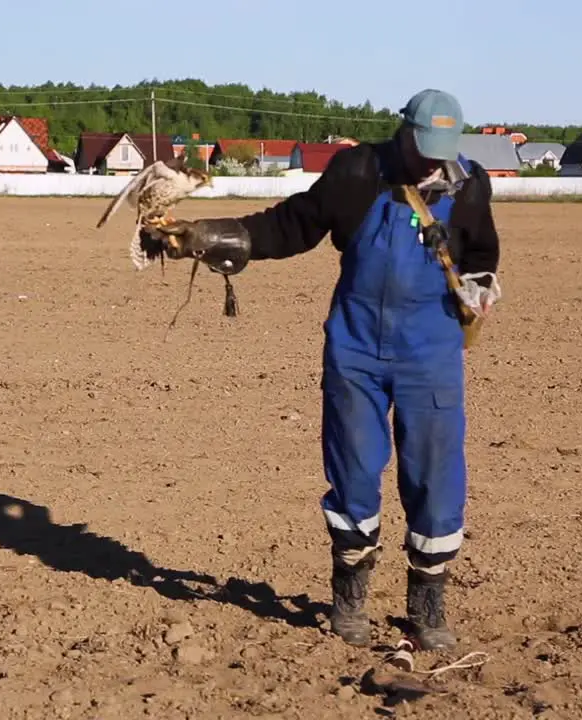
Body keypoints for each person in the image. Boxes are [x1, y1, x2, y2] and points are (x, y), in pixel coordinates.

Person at [154, 89, 501, 650]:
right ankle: (351, 594)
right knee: (354, 470)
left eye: (443, 147)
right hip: (356, 349)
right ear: (404, 132)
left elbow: (482, 253)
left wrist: (482, 289)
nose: (433, 159)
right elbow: (293, 225)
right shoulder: (357, 172)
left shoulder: (470, 186)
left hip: (431, 353)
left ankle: (428, 603)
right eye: (424, 146)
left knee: (436, 478)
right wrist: (215, 235)